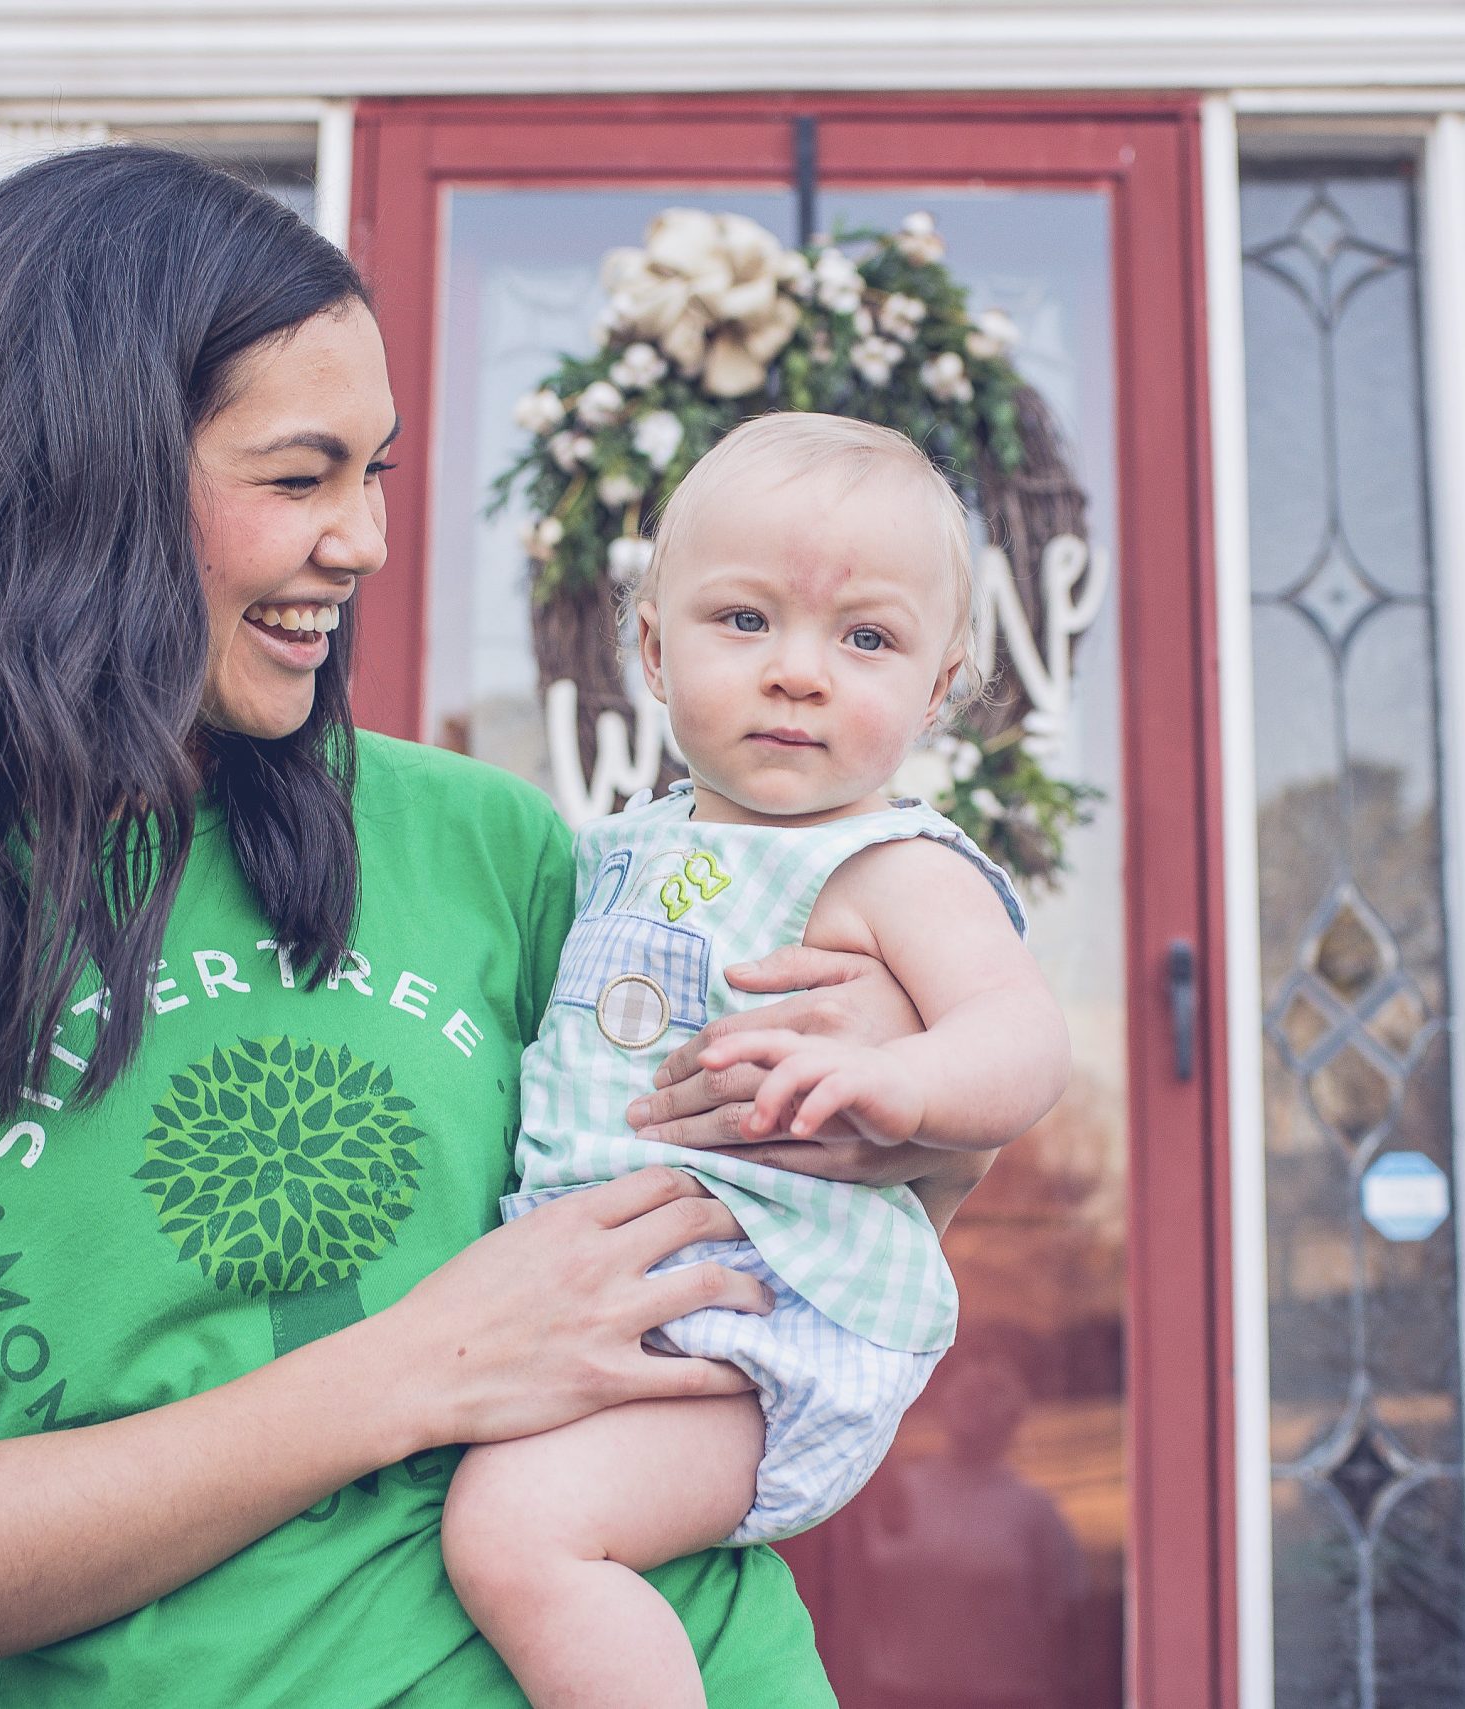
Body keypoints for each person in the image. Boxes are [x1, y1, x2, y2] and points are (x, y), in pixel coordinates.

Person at [0, 147, 992, 1709]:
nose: (368, 542)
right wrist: (395, 1375)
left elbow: (831, 1216)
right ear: (85, 480)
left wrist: (897, 1083)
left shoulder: (489, 843)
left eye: (377, 473)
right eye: (299, 474)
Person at [441, 413, 1073, 1708]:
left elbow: (1025, 1038)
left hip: (766, 1315)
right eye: (746, 621)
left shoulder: (891, 863)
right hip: (632, 1296)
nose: (800, 672)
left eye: (866, 639)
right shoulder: (620, 843)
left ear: (937, 691)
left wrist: (906, 1083)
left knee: (515, 1531)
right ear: (655, 650)